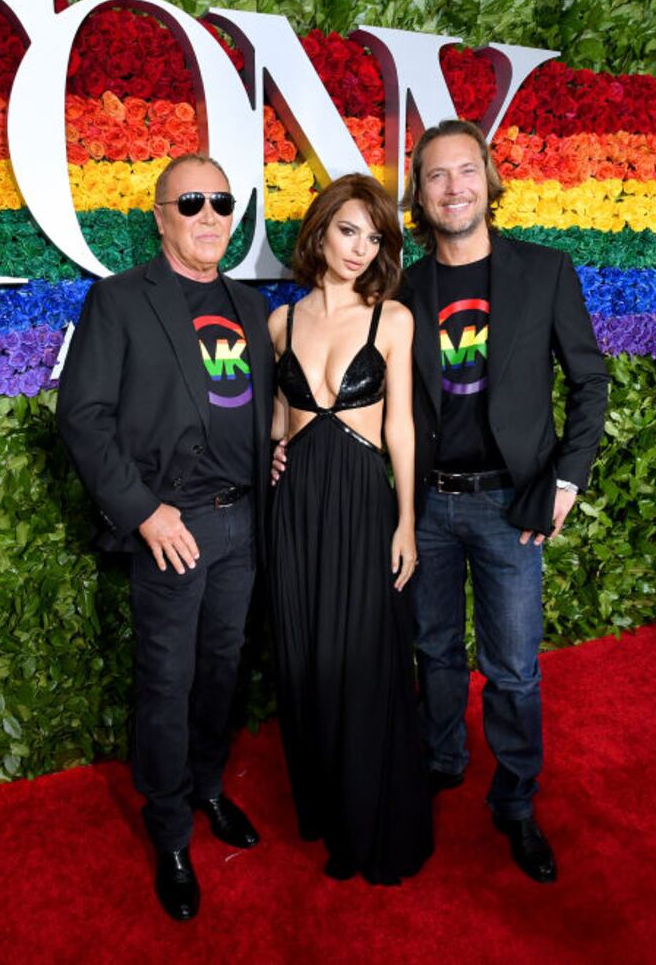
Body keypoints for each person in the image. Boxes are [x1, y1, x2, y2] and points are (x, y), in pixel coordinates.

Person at [57, 154, 274, 921]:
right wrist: (144, 511)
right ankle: (170, 830)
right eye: (192, 202)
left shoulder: (249, 306)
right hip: (171, 527)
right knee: (166, 684)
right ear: (160, 216)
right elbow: (81, 417)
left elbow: (250, 405)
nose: (210, 214)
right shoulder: (119, 301)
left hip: (242, 519)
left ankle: (210, 788)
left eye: (222, 202)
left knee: (222, 672)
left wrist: (271, 447)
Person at [400, 119, 609, 884]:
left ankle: (515, 802)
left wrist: (564, 480)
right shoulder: (404, 285)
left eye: (464, 171)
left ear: (488, 180)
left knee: (513, 669)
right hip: (425, 503)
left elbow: (589, 380)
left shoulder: (544, 271)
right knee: (433, 651)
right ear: (418, 196)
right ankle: (442, 762)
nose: (452, 186)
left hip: (510, 504)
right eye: (434, 175)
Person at [266, 172, 434, 885]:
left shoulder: (391, 319)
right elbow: (280, 420)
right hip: (296, 506)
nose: (361, 248)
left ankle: (373, 822)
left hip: (367, 503)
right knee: (305, 662)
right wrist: (273, 449)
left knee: (363, 662)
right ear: (320, 230)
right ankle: (330, 810)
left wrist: (405, 522)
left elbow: (399, 427)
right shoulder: (279, 322)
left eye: (374, 237)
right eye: (348, 230)